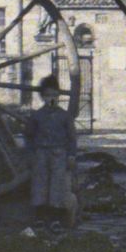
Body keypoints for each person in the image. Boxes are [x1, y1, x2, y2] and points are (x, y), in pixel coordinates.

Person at [24, 73, 78, 226]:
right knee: (39, 184)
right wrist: (30, 154)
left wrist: (71, 155)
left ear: (58, 96)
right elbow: (29, 136)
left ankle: (56, 219)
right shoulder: (36, 116)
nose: (51, 99)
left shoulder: (64, 116)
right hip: (41, 153)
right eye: (48, 96)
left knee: (57, 185)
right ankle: (40, 217)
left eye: (54, 95)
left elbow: (72, 137)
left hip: (59, 154)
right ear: (42, 97)